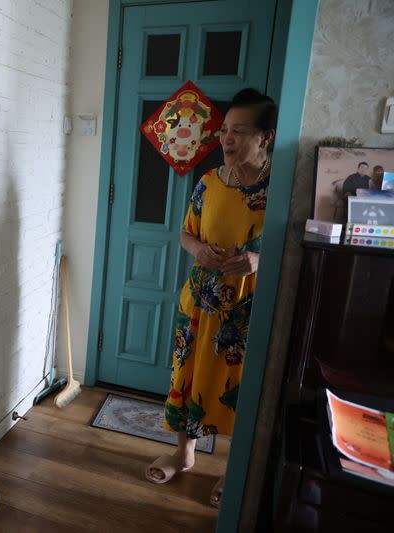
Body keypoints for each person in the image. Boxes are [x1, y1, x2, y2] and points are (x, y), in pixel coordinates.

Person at [145, 88, 276, 508]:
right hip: (200, 299)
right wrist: (196, 249)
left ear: (265, 138)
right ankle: (184, 454)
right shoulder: (208, 182)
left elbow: (285, 246)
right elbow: (186, 233)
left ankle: (230, 469)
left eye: (238, 131)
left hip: (246, 307)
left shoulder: (278, 187)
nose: (226, 139)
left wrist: (257, 259)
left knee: (236, 386)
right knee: (187, 375)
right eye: (224, 131)